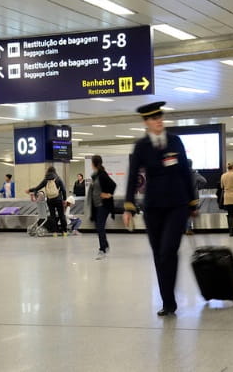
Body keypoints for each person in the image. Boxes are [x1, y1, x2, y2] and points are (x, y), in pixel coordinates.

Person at [123, 101, 197, 317]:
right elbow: (133, 176)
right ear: (146, 122)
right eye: (154, 119)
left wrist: (192, 202)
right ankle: (168, 302)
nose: (159, 121)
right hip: (153, 207)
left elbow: (185, 172)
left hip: (177, 205)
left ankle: (170, 299)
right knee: (159, 254)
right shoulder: (141, 146)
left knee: (168, 251)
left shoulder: (175, 141)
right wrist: (128, 207)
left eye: (160, 117)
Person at [88, 155, 117, 259]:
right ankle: (105, 245)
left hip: (103, 205)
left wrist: (108, 194)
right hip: (96, 205)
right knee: (98, 226)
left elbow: (113, 185)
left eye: (92, 163)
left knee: (100, 226)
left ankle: (102, 249)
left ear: (94, 164)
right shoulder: (95, 176)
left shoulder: (102, 175)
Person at [27, 166, 68, 236]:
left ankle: (54, 232)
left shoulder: (46, 180)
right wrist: (64, 199)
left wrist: (30, 190)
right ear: (54, 171)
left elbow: (37, 187)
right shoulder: (58, 179)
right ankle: (64, 232)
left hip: (50, 200)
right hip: (58, 199)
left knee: (52, 216)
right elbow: (63, 190)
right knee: (61, 215)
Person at [186, 159, 207, 235]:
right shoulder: (195, 173)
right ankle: (188, 229)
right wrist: (198, 188)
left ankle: (184, 228)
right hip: (194, 196)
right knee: (192, 212)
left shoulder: (181, 173)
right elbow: (204, 181)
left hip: (184, 197)